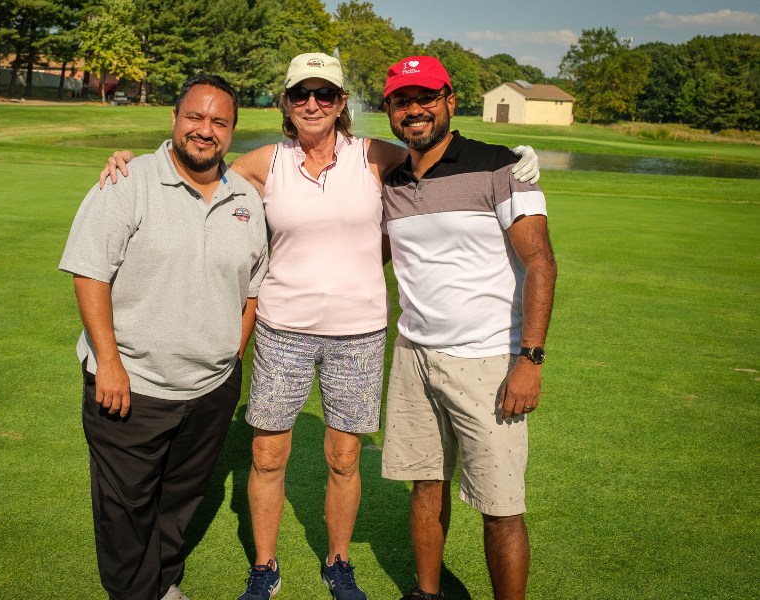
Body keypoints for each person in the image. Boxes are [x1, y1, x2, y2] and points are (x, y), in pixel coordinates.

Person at [98, 54, 541, 600]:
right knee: (266, 456)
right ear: (286, 103)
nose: (313, 104)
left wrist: (511, 160)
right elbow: (198, 163)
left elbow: (436, 150)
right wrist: (138, 161)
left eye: (325, 94)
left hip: (359, 334)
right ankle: (265, 567)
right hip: (281, 329)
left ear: (341, 102)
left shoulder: (375, 157)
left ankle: (338, 561)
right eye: (301, 94)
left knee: (345, 458)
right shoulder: (266, 163)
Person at [59, 73, 268, 600]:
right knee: (126, 510)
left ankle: (163, 583)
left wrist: (232, 357)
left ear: (232, 131)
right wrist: (109, 363)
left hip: (210, 389)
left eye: (219, 121)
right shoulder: (128, 182)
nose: (205, 130)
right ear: (173, 119)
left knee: (179, 500)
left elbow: (251, 291)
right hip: (132, 383)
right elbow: (90, 273)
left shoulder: (246, 198)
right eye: (194, 116)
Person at [378, 57, 558, 600]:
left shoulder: (502, 167)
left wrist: (530, 360)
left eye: (425, 98)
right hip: (414, 355)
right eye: (401, 101)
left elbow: (541, 263)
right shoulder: (392, 180)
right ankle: (427, 592)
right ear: (389, 109)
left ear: (449, 100)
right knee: (425, 485)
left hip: (488, 362)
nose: (414, 110)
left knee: (501, 506)